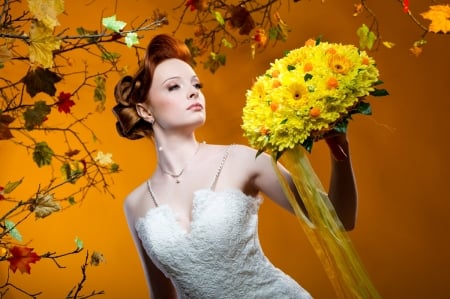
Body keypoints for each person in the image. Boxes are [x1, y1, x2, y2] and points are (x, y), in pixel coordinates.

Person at [113, 34, 358, 299]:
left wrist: (339, 149)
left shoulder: (241, 160)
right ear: (145, 111)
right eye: (174, 87)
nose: (194, 91)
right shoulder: (136, 203)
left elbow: (339, 220)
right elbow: (161, 296)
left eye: (196, 84)